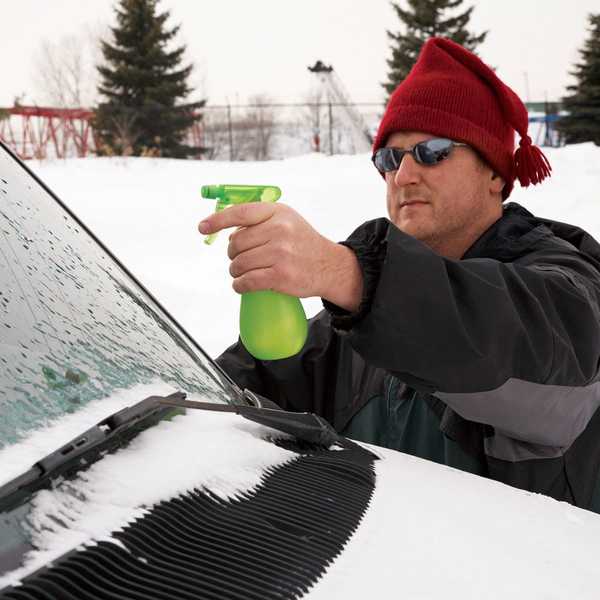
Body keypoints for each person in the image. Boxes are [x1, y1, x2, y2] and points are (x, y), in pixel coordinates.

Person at [199, 37, 600, 512]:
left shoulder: (567, 285)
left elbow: (519, 342)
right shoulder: (361, 320)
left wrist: (345, 272)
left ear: (495, 172)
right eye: (389, 158)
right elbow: (240, 390)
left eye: (432, 151)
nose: (403, 175)